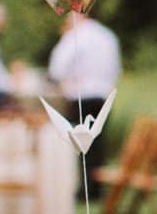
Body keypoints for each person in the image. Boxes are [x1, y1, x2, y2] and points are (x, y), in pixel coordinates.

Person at [47, 10, 122, 197]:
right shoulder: (107, 36)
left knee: (81, 144)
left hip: (80, 95)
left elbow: (57, 68)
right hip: (103, 95)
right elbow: (116, 68)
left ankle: (85, 189)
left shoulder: (75, 35)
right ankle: (96, 187)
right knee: (97, 143)